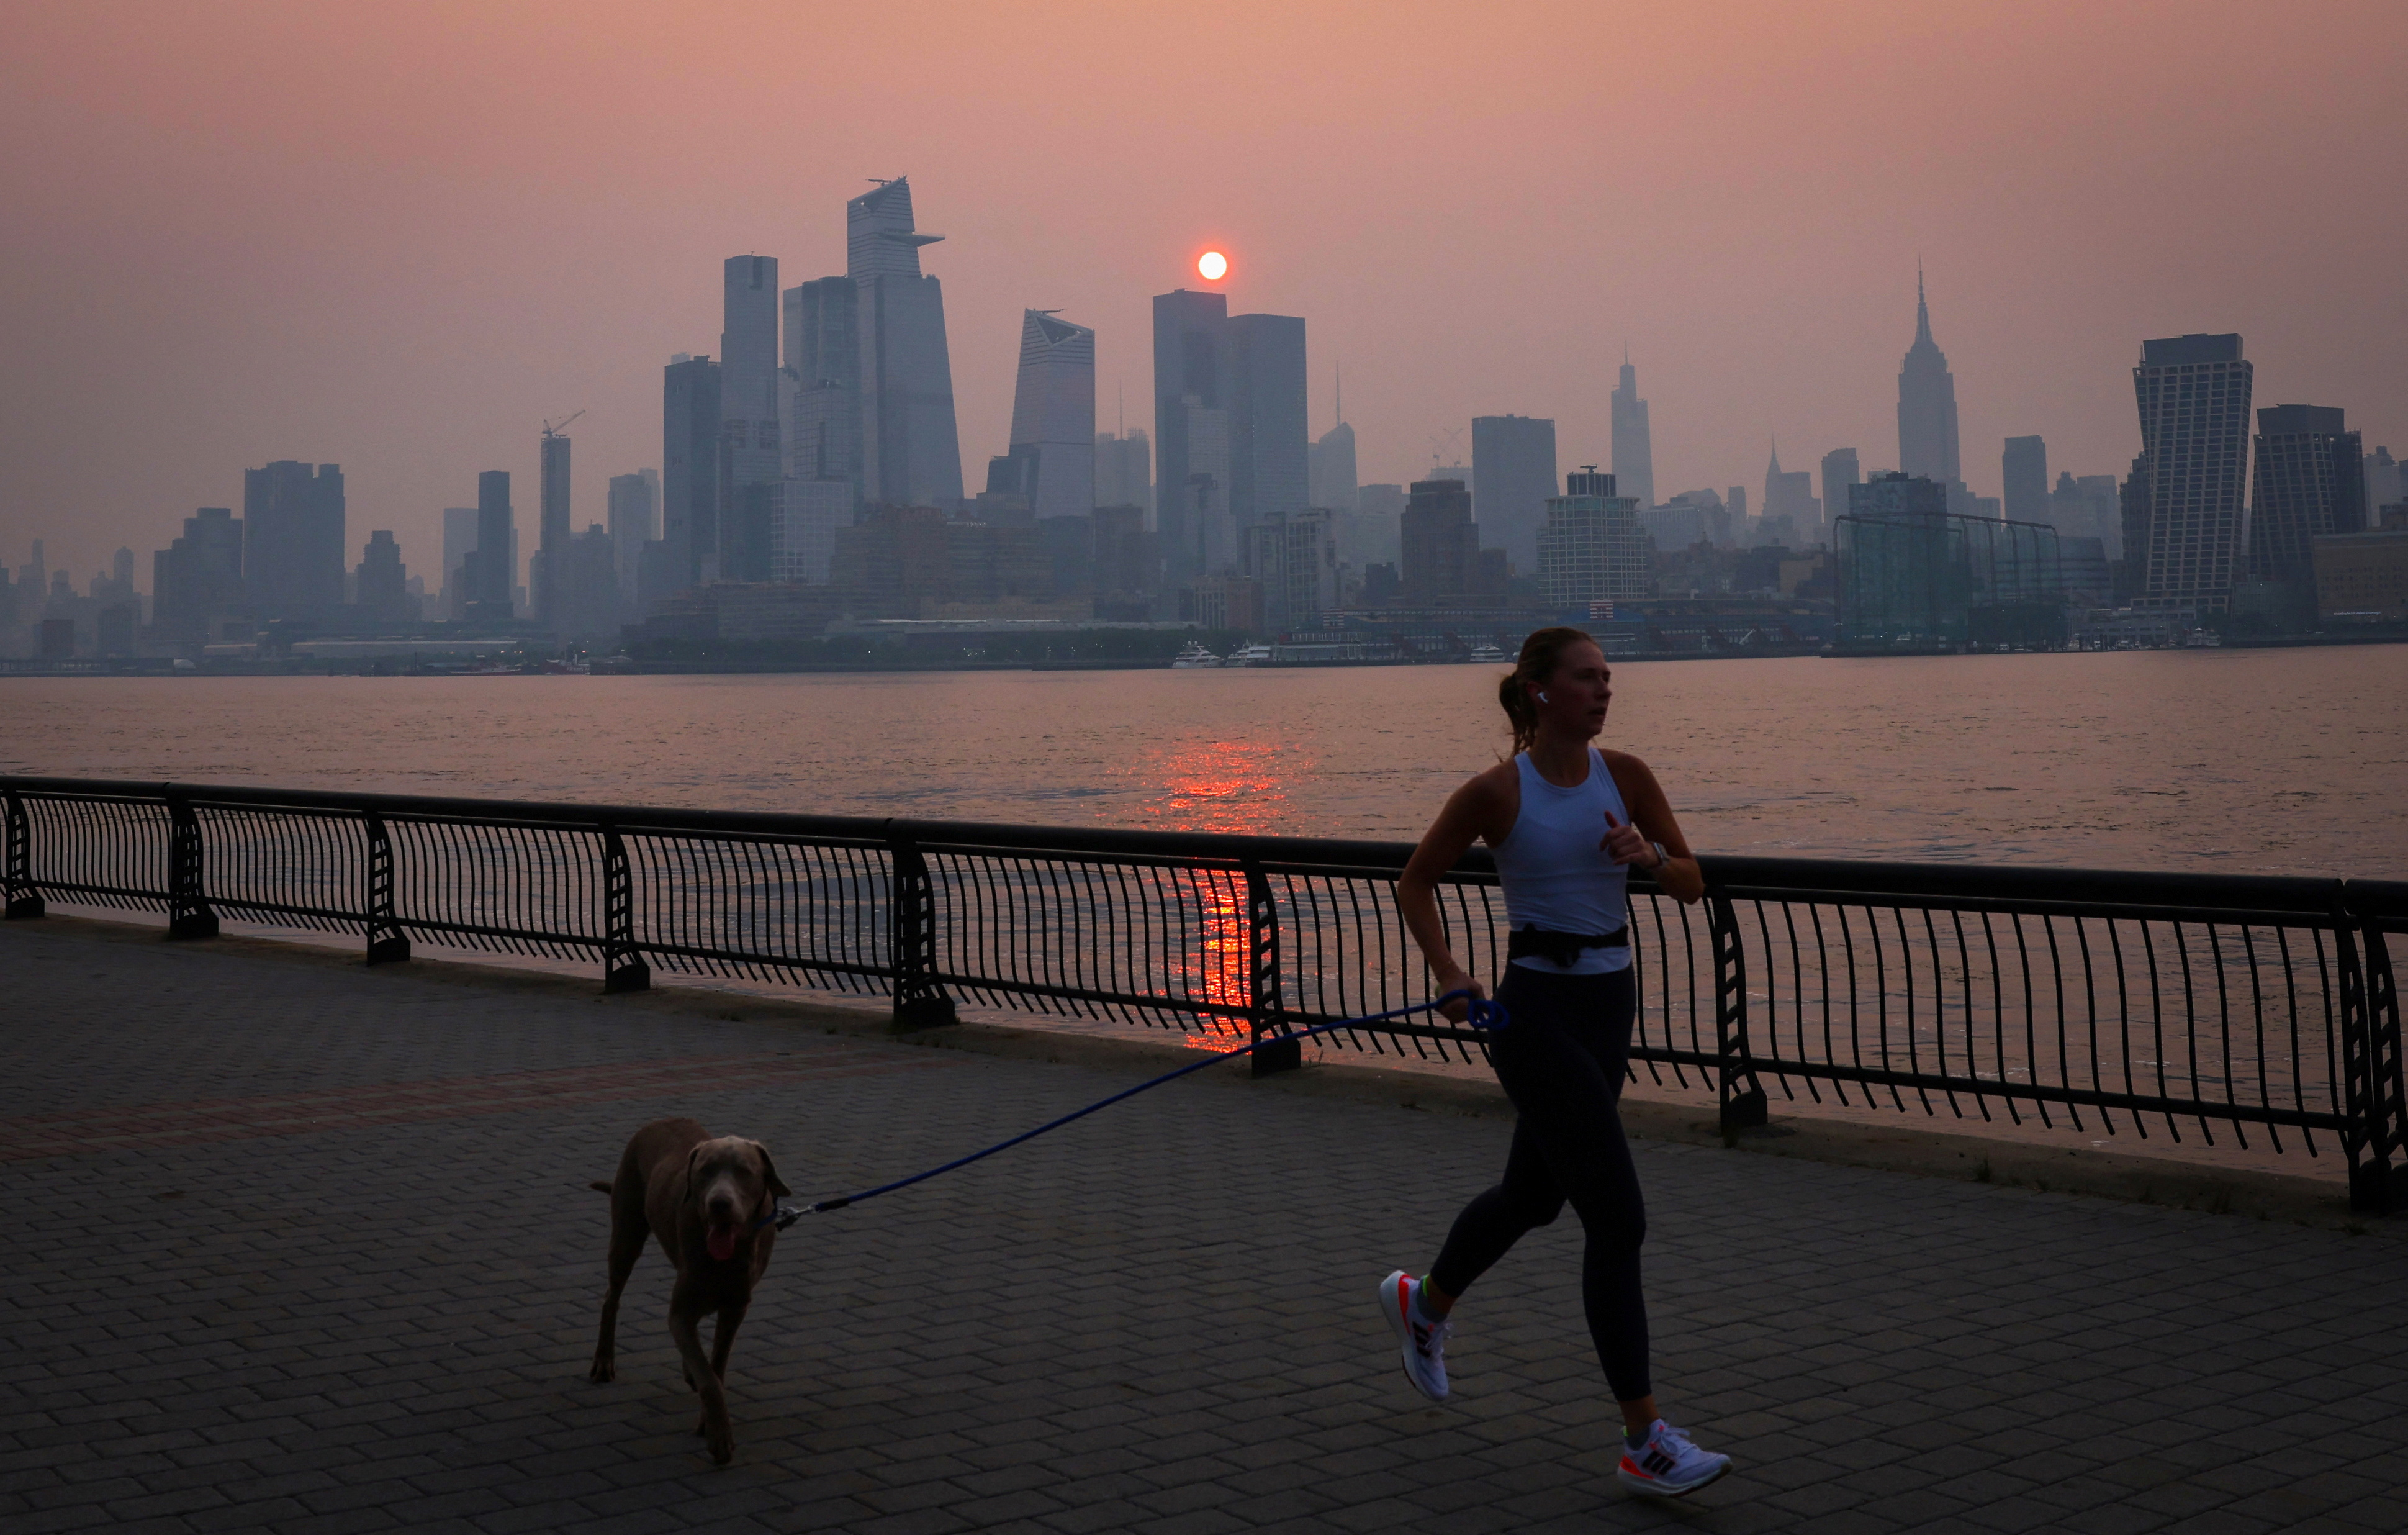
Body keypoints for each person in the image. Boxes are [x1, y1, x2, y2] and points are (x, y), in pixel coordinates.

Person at [1381, 625, 1732, 1498]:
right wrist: (1451, 975)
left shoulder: (1630, 778)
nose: (1603, 691)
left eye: (1608, 678)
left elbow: (1695, 880)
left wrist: (1650, 859)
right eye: (1585, 678)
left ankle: (1423, 1304)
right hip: (1529, 1010)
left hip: (1609, 1003)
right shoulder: (1499, 793)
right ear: (1539, 691)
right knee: (1617, 1220)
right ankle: (1644, 1437)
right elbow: (1414, 881)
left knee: (1533, 1198)